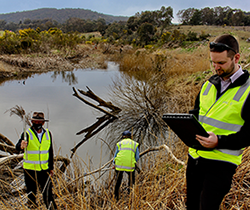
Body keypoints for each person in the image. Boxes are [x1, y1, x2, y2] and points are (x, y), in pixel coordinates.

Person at [186, 34, 250, 210]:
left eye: (221, 63)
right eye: (213, 62)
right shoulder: (208, 84)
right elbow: (198, 114)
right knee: (191, 206)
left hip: (221, 164)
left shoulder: (249, 90)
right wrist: (187, 128)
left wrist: (219, 141)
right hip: (195, 158)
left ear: (236, 58)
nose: (216, 67)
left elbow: (249, 134)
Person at [16, 112, 57, 209]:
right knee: (31, 195)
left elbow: (50, 152)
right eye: (35, 121)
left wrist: (51, 168)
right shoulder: (27, 134)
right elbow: (17, 147)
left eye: (39, 121)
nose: (37, 123)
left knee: (48, 195)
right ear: (32, 122)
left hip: (44, 170)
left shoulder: (48, 133)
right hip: (30, 170)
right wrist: (21, 146)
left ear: (43, 123)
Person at [113, 130, 139, 200]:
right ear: (130, 137)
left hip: (119, 164)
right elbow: (137, 157)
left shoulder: (119, 143)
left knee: (118, 181)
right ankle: (130, 194)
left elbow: (116, 155)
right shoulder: (134, 144)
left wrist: (114, 163)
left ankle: (116, 196)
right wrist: (133, 162)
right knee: (131, 180)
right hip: (130, 165)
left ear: (122, 137)